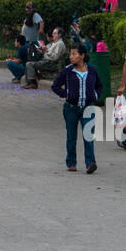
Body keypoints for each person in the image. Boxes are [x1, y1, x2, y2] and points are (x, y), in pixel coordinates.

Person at [51, 45, 101, 173]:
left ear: (82, 56)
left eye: (74, 54)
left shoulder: (92, 70)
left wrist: (95, 95)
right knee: (71, 136)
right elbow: (55, 86)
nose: (71, 57)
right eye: (70, 54)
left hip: (88, 108)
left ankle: (90, 163)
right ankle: (71, 162)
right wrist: (65, 94)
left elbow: (99, 86)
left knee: (88, 136)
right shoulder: (67, 71)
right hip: (71, 109)